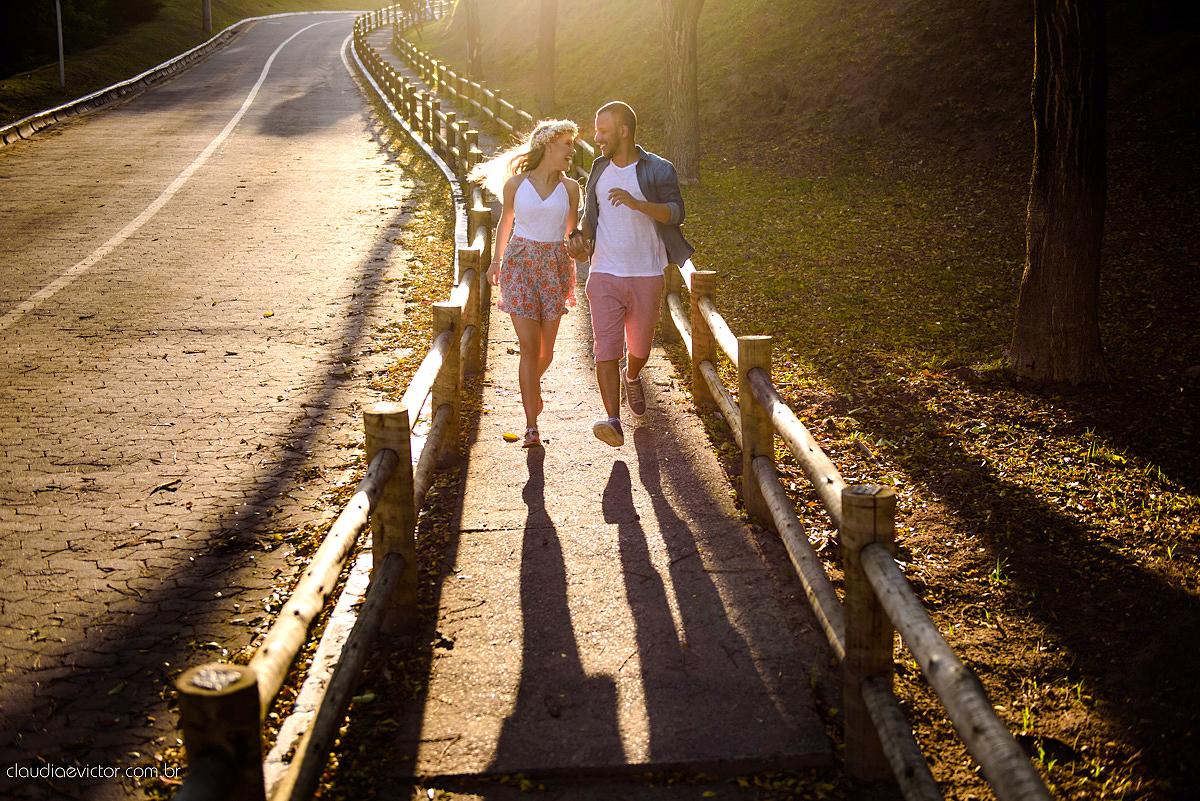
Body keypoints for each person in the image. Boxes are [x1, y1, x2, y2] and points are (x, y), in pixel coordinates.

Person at [567, 101, 694, 447]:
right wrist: (579, 237)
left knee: (639, 346)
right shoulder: (598, 168)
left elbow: (676, 213)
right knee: (605, 349)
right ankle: (612, 419)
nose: (596, 138)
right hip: (604, 271)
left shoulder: (658, 169)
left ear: (623, 130)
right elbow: (590, 215)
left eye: (602, 131)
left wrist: (638, 204)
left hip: (646, 272)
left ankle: (633, 375)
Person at [469, 119, 581, 448]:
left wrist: (580, 246)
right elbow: (505, 222)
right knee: (530, 349)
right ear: (548, 145)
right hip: (519, 265)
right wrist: (495, 262)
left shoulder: (571, 188)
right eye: (567, 145)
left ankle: (532, 387)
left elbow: (572, 234)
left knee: (545, 353)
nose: (572, 152)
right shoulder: (516, 185)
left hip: (553, 268)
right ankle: (532, 425)